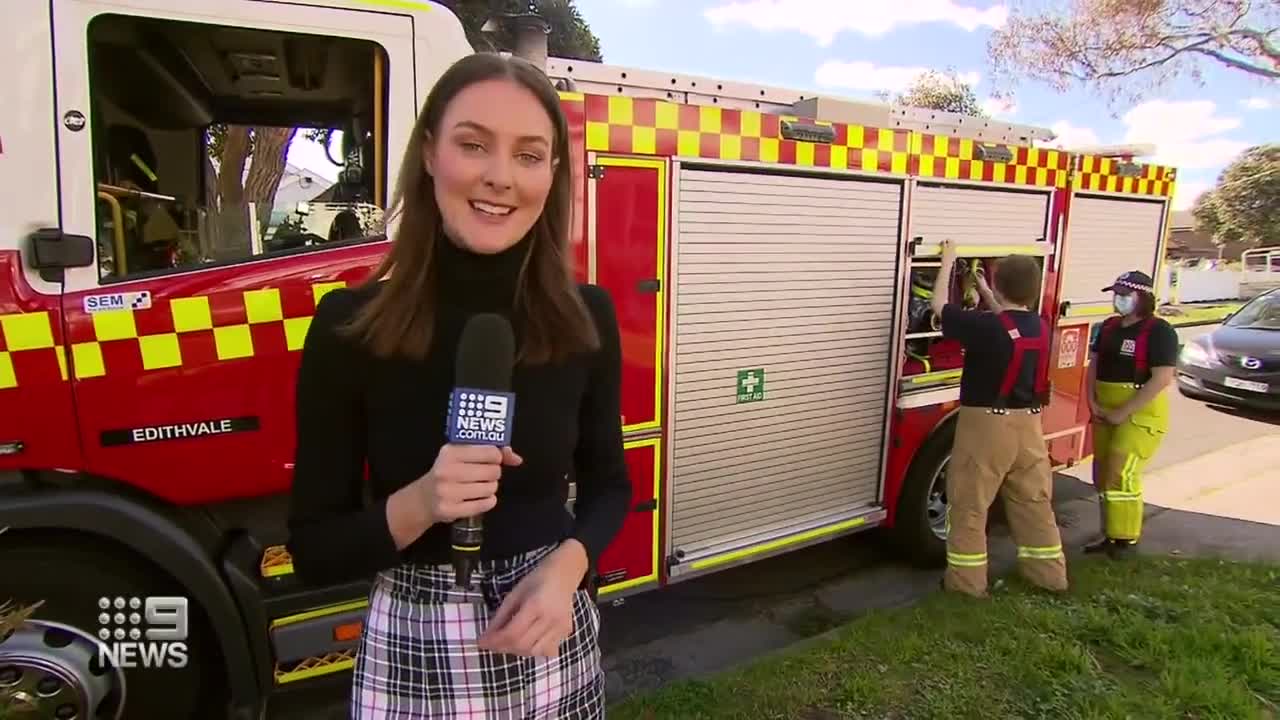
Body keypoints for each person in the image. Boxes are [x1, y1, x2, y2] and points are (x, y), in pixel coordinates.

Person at [285, 53, 631, 719]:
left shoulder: (588, 317)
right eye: (474, 145)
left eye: (530, 155)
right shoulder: (348, 326)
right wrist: (420, 502)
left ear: (554, 175)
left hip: (551, 641)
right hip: (414, 647)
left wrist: (568, 571)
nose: (500, 177)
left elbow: (609, 486)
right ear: (429, 154)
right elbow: (313, 550)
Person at [930, 239, 1068, 598]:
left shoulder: (986, 329)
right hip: (1030, 427)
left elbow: (939, 307)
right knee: (1033, 503)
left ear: (1000, 281)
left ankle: (966, 586)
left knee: (969, 506)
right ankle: (1049, 577)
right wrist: (985, 288)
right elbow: (1007, 325)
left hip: (988, 427)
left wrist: (947, 262)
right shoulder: (1039, 327)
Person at [1083, 270, 1177, 558]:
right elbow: (1093, 366)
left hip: (1140, 414)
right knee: (1102, 473)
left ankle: (1125, 540)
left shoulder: (1160, 331)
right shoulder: (1108, 327)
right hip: (1104, 410)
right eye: (1116, 294)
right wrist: (1092, 403)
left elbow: (1161, 378)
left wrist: (1123, 412)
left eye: (1125, 295)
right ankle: (1108, 533)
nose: (1118, 300)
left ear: (1142, 298)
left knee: (1121, 472)